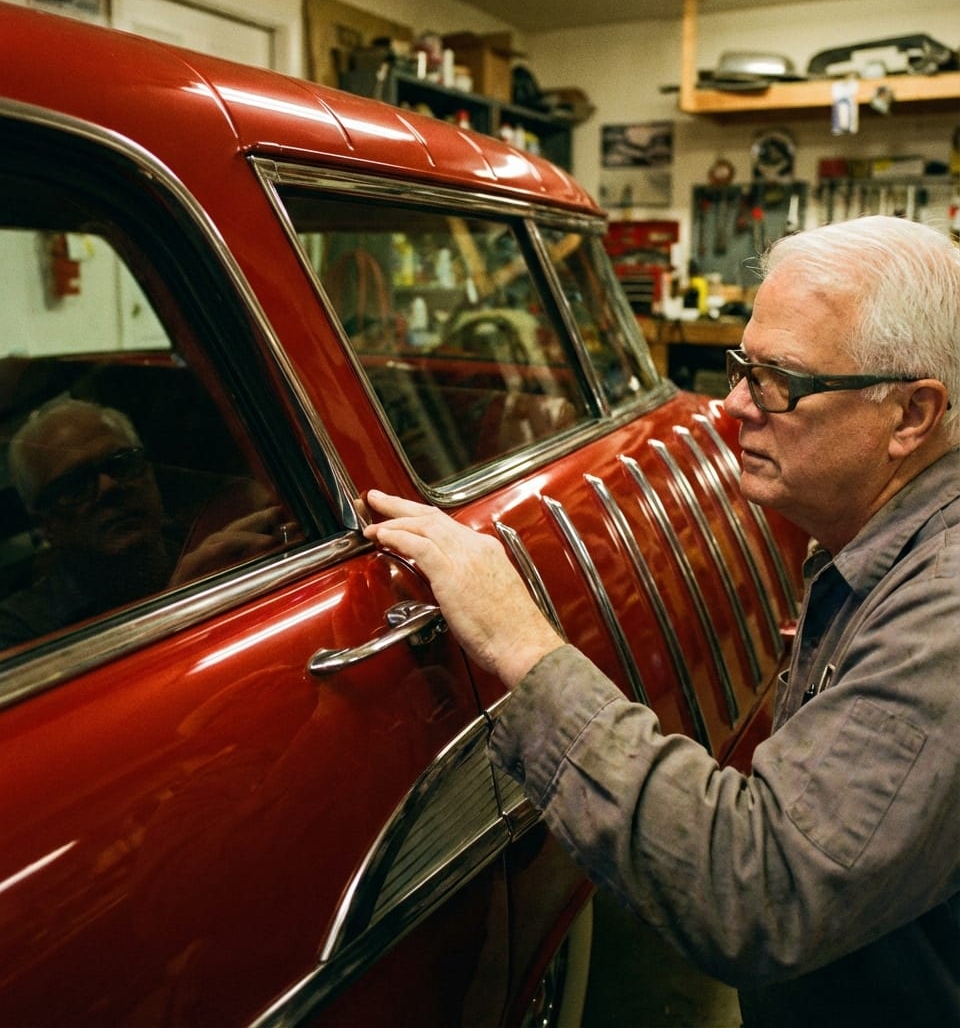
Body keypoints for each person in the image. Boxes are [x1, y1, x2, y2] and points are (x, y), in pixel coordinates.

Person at [361, 215, 960, 1027]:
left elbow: (761, 889)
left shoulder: (946, 608)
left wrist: (522, 643)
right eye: (743, 364)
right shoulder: (887, 538)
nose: (734, 402)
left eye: (781, 379)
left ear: (912, 416)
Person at [1, 397, 288, 648]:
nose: (109, 487)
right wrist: (179, 608)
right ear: (45, 525)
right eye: (75, 486)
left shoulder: (214, 537)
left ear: (150, 472)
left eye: (122, 463)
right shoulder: (22, 629)